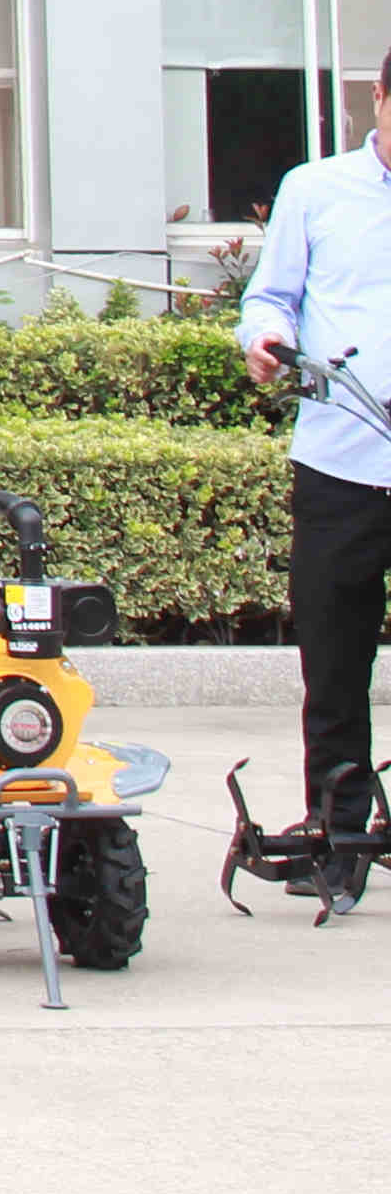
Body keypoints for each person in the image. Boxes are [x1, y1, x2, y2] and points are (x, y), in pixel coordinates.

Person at [242, 62, 391, 841]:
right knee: (334, 661)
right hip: (342, 461)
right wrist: (267, 340)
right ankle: (337, 829)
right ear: (378, 99)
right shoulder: (316, 190)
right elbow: (271, 298)